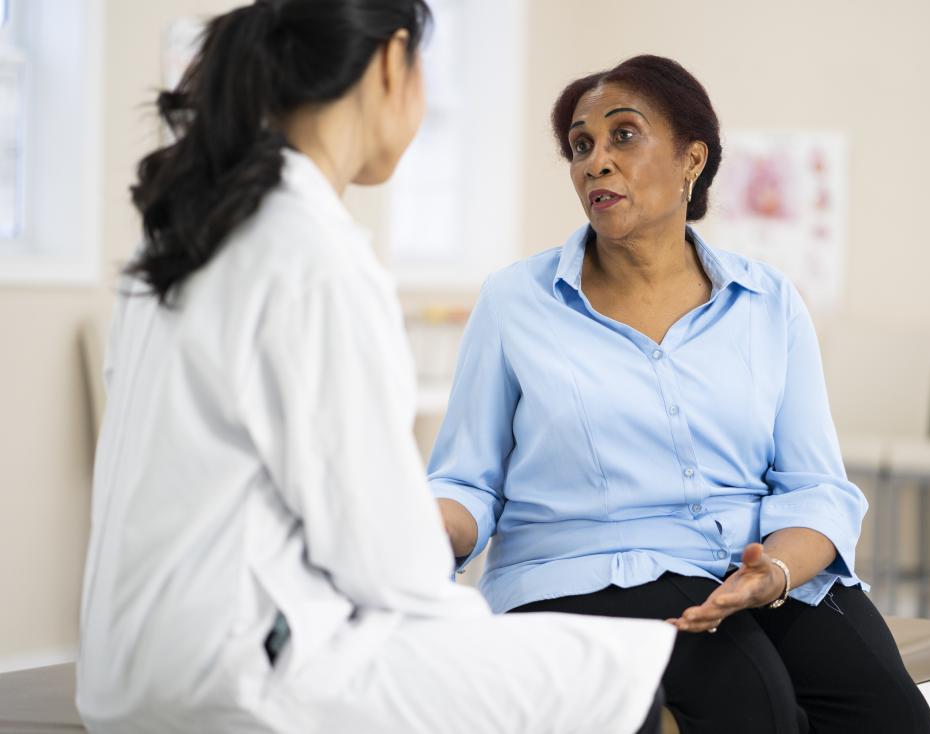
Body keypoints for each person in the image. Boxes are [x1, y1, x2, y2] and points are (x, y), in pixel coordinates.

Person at [76, 4, 674, 733]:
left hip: (126, 666)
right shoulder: (314, 255)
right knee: (619, 680)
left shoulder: (180, 239)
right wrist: (474, 619)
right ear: (393, 61)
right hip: (239, 674)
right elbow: (383, 563)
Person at [430, 55, 930, 734]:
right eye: (581, 146)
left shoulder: (768, 301)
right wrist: (424, 532)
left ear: (692, 160)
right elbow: (467, 480)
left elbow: (816, 484)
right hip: (590, 571)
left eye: (624, 135)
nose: (596, 163)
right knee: (755, 707)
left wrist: (777, 571)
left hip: (751, 564)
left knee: (891, 714)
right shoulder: (515, 302)